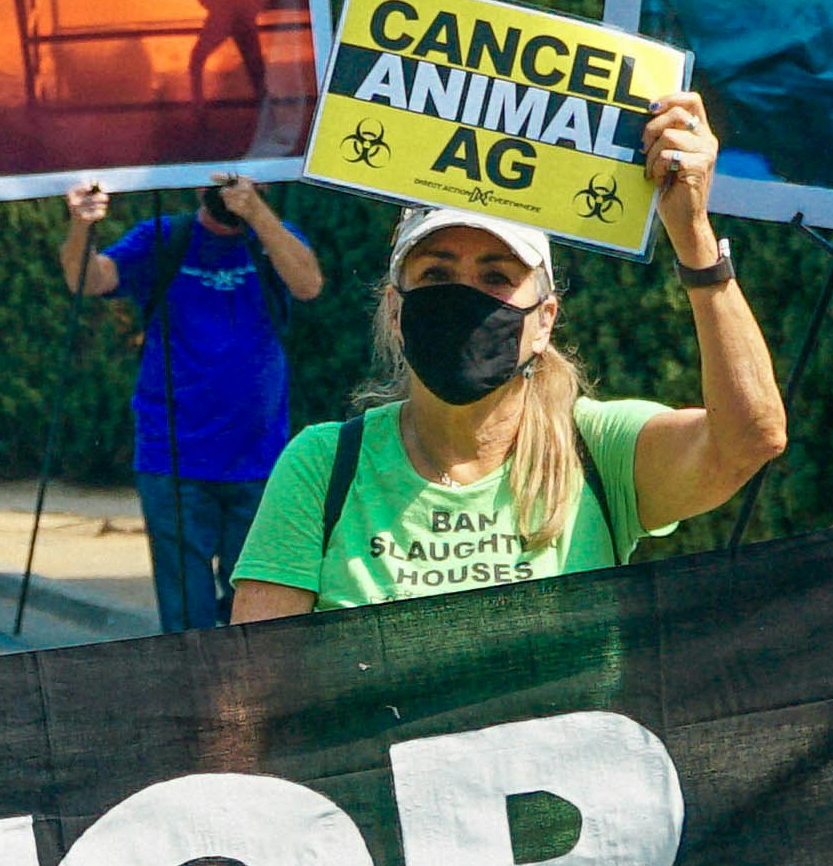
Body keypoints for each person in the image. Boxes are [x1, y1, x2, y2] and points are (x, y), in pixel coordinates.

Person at [224, 98, 781, 613]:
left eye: (497, 277)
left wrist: (695, 240)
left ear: (544, 320)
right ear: (395, 312)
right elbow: (251, 693)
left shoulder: (598, 451)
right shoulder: (324, 466)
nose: (463, 298)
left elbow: (751, 439)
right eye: (437, 274)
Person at [58, 171, 322, 630]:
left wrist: (256, 214)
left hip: (260, 459)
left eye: (240, 180)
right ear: (194, 185)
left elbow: (308, 285)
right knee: (185, 613)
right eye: (212, 181)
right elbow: (91, 280)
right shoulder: (164, 237)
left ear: (265, 184)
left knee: (258, 608)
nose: (223, 192)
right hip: (173, 456)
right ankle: (196, 697)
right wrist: (82, 225)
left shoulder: (276, 238)